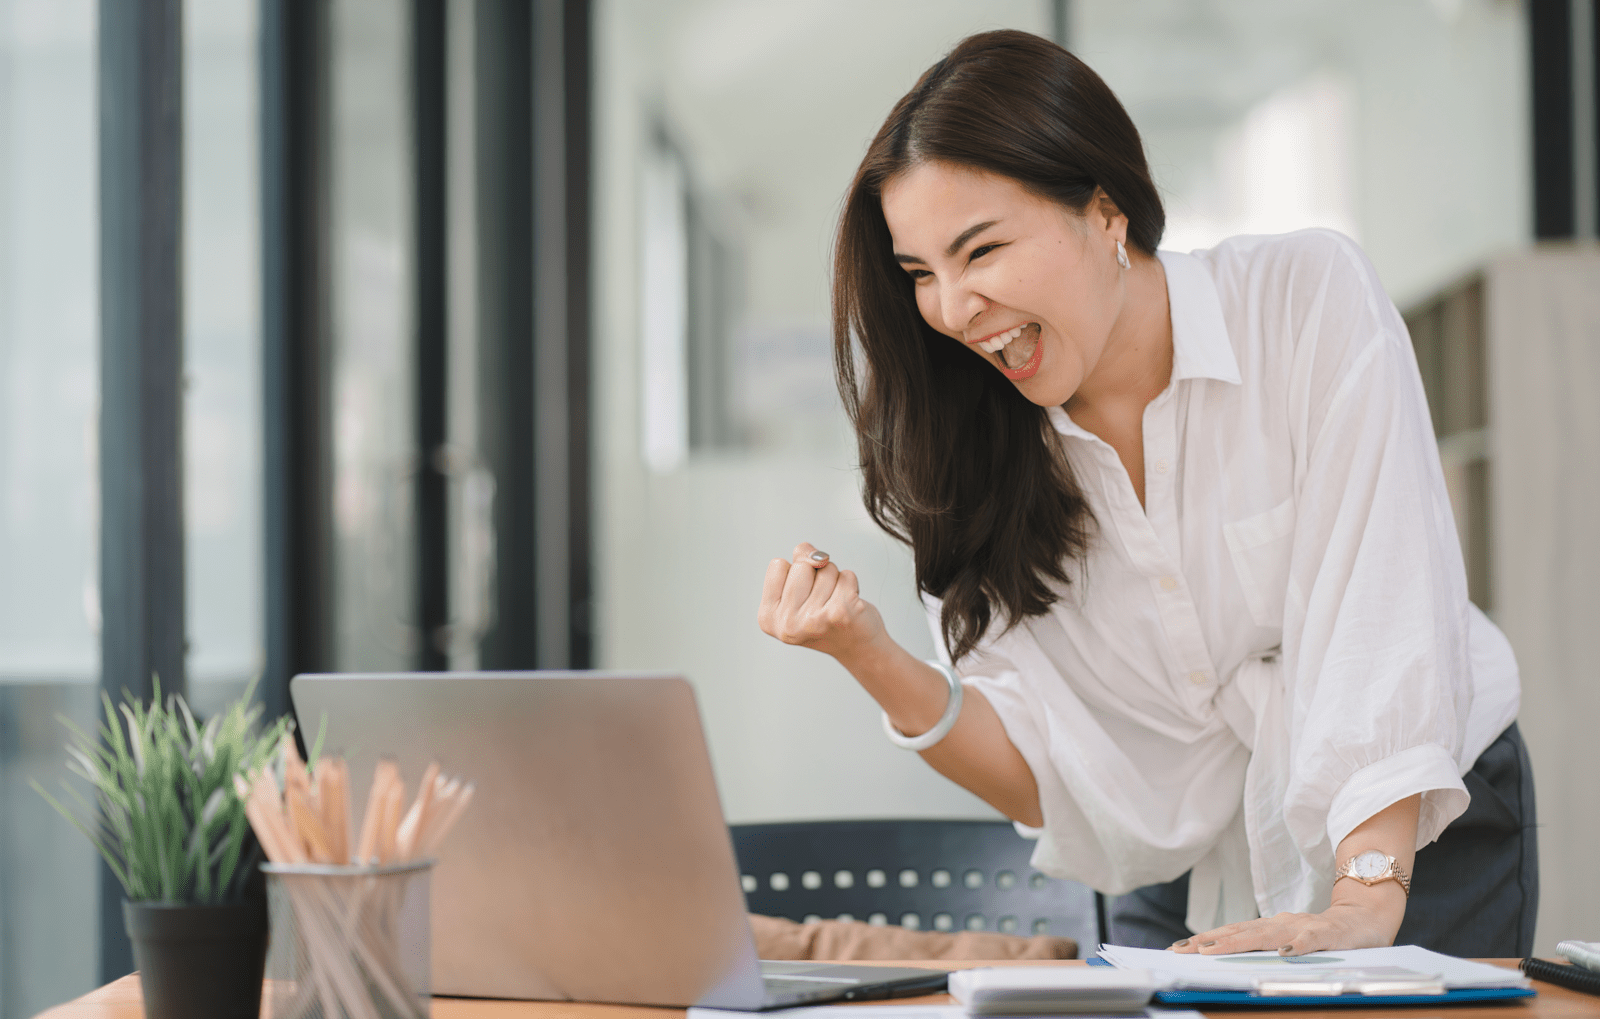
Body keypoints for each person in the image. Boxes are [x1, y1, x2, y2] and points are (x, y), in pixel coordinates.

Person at [756, 30, 1536, 957]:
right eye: (922, 273)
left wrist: (1363, 901)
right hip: (1185, 862)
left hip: (1408, 825)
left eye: (982, 249)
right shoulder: (966, 449)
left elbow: (1384, 617)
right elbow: (1040, 778)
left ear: (1106, 210)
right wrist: (865, 649)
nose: (954, 309)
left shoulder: (1304, 302)